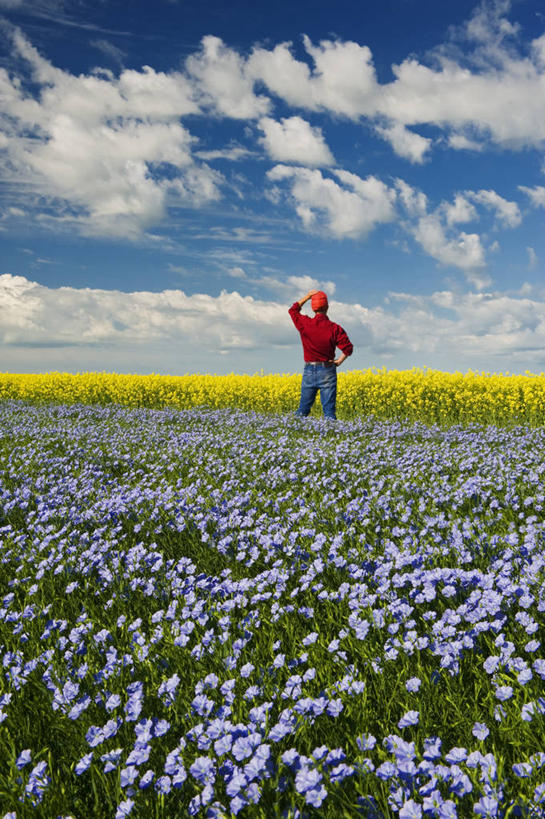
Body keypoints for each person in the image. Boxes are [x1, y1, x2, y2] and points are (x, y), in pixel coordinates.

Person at [289, 289, 353, 420]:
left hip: (309, 370)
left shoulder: (305, 324)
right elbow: (348, 349)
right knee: (329, 412)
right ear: (327, 307)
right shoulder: (335, 328)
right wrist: (339, 361)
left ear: (313, 308)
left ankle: (290, 435)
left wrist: (307, 296)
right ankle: (332, 437)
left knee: (302, 411)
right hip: (328, 369)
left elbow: (293, 311)